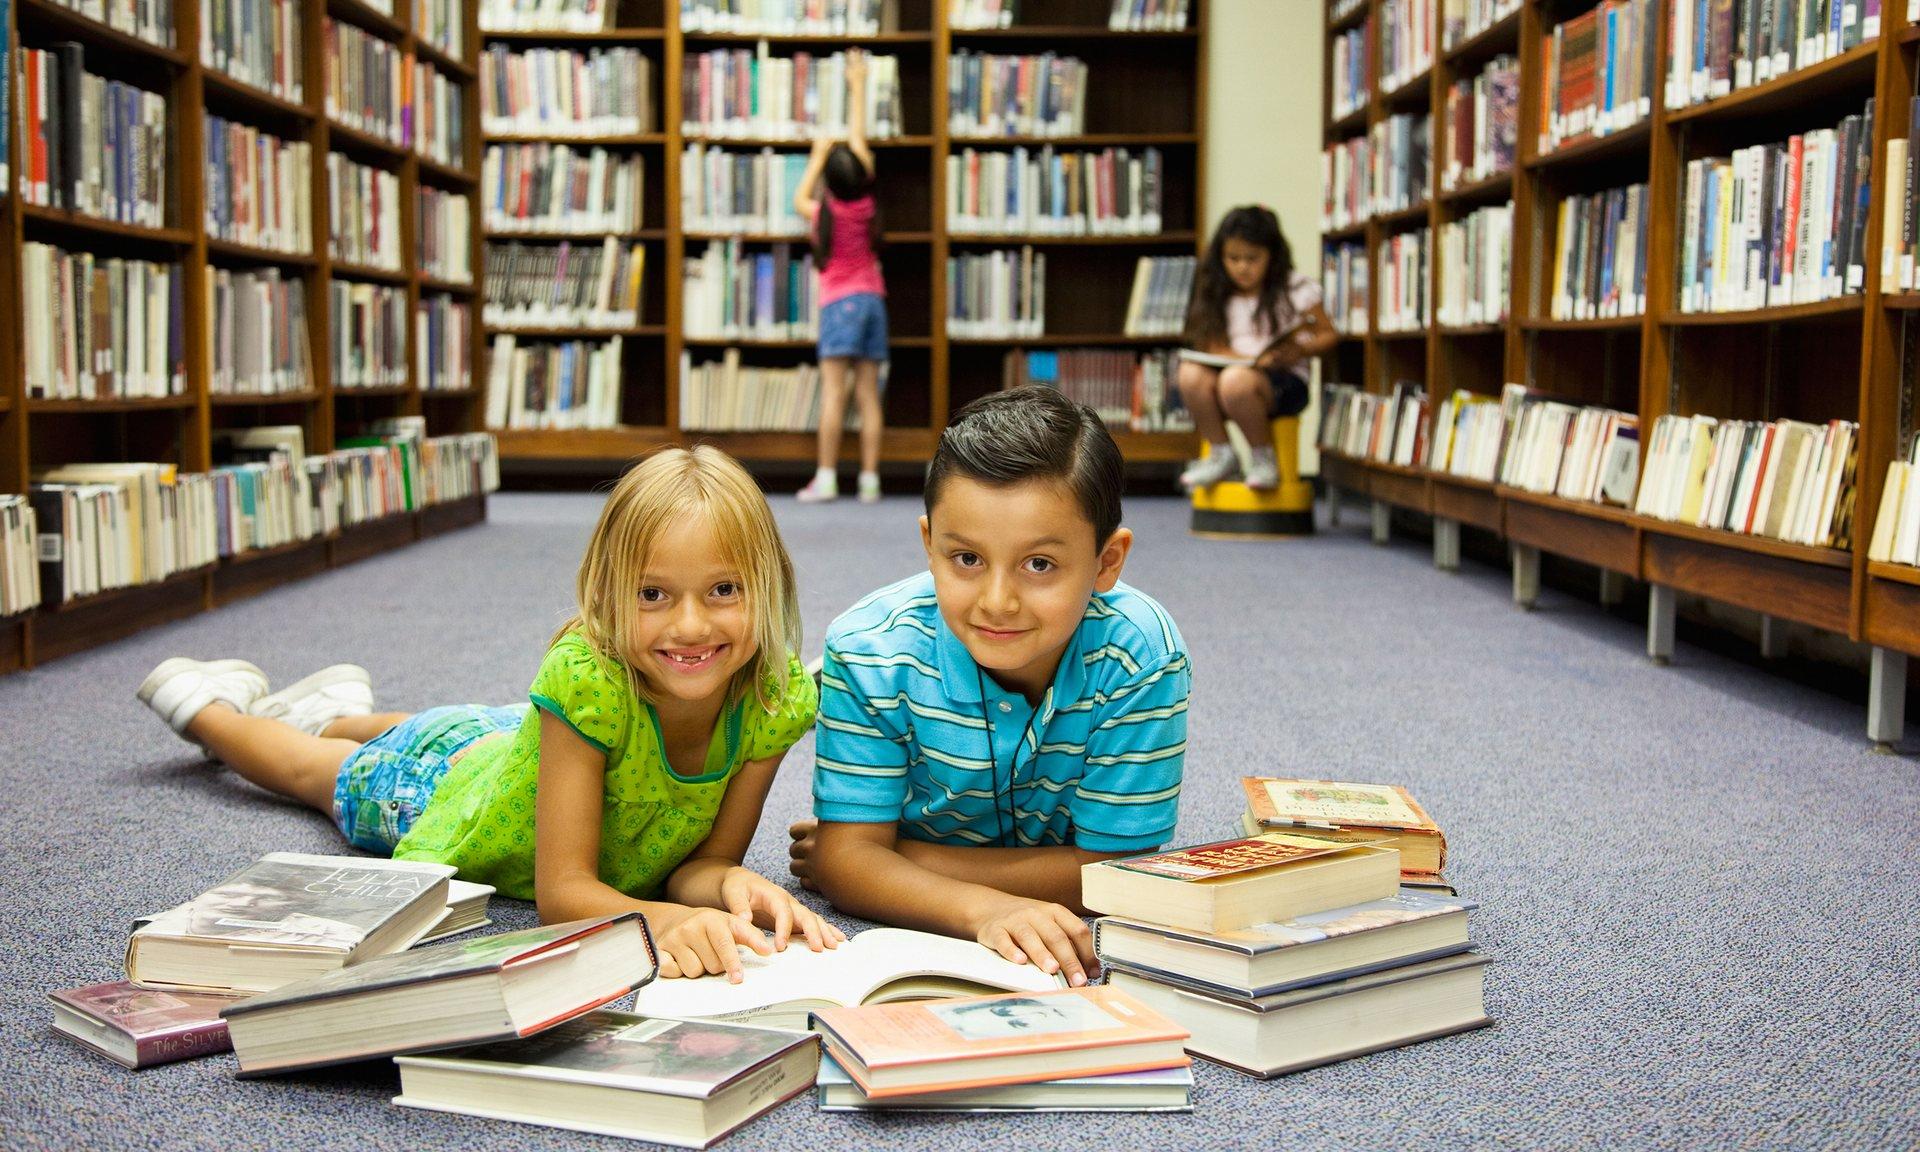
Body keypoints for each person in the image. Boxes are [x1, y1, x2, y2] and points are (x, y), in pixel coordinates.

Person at [134, 447, 841, 982]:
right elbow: (562, 894)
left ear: (768, 582)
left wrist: (727, 883)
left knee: (448, 729)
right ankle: (210, 708)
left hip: (512, 744)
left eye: (723, 589)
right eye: (652, 595)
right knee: (313, 770)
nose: (689, 626)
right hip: (448, 794)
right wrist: (670, 922)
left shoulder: (771, 699)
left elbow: (702, 863)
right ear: (606, 592)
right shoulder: (586, 682)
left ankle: (338, 710)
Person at [787, 387, 1191, 988]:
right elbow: (848, 870)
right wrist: (983, 908)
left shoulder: (1144, 659)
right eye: (966, 559)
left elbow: (1118, 874)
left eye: (1040, 565)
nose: (997, 603)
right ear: (929, 544)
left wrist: (894, 857)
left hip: (919, 849)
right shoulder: (868, 650)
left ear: (1107, 562)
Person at [1176, 205, 1339, 491]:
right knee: (1190, 373)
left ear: (1272, 256)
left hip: (1282, 384)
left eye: (1252, 259)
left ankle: (1263, 458)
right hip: (1235, 374)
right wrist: (1245, 359)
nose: (1242, 267)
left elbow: (1328, 334)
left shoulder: (1294, 288)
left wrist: (1300, 351)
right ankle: (1221, 452)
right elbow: (1209, 343)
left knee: (1235, 381)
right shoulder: (1216, 291)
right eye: (1233, 258)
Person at [793, 48, 888, 505]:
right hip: (873, 302)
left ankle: (827, 476)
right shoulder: (867, 207)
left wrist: (816, 157)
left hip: (838, 304)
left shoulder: (823, 214)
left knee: (834, 393)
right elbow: (860, 142)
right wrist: (858, 86)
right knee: (868, 393)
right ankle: (870, 480)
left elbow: (798, 198)